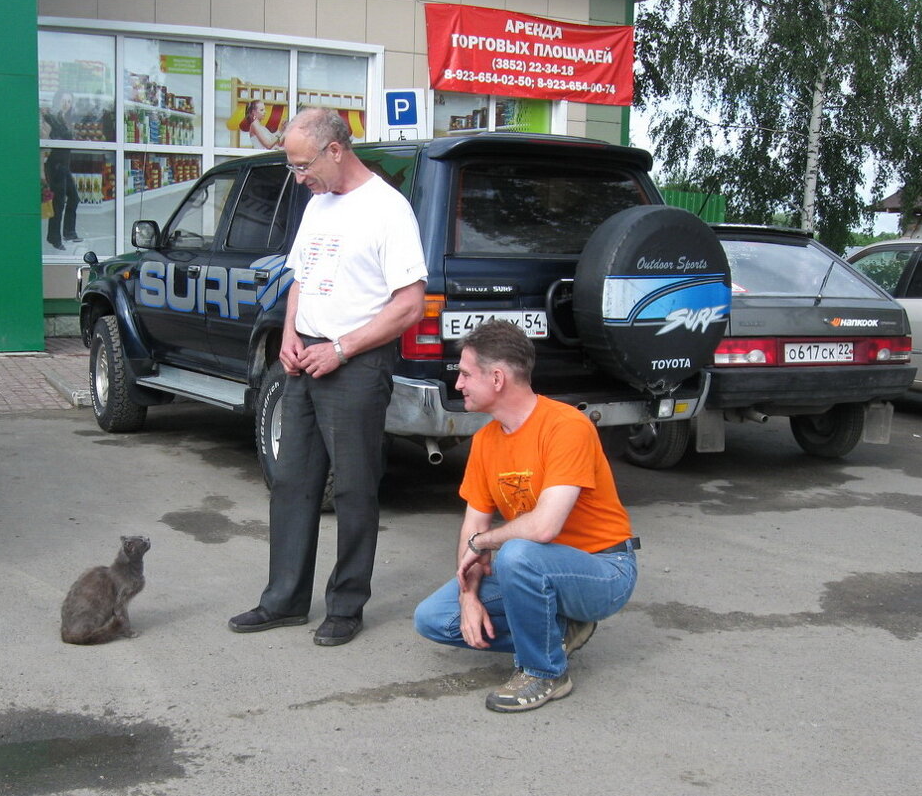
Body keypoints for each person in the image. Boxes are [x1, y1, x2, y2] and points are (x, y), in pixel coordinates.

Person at [229, 107, 427, 646]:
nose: (298, 177)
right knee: (292, 482)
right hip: (304, 359)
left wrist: (341, 349)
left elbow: (410, 305)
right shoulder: (317, 203)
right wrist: (290, 335)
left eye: (301, 164)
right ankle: (285, 600)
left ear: (335, 149)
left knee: (356, 488)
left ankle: (345, 605)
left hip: (355, 364)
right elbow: (300, 279)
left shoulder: (388, 209)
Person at [413, 320, 639, 712]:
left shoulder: (566, 427)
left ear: (497, 378)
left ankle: (544, 672)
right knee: (434, 618)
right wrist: (468, 595)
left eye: (465, 374)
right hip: (535, 567)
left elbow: (542, 527)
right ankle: (559, 629)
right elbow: (474, 523)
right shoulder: (485, 441)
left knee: (517, 552)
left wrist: (481, 545)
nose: (459, 384)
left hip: (603, 568)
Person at [42, 90, 80, 251]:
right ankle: (54, 237)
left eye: (69, 101)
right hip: (55, 165)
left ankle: (69, 232)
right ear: (57, 101)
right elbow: (48, 139)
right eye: (63, 100)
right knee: (58, 203)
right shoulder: (51, 118)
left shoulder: (65, 120)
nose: (66, 104)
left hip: (64, 166)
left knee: (74, 198)